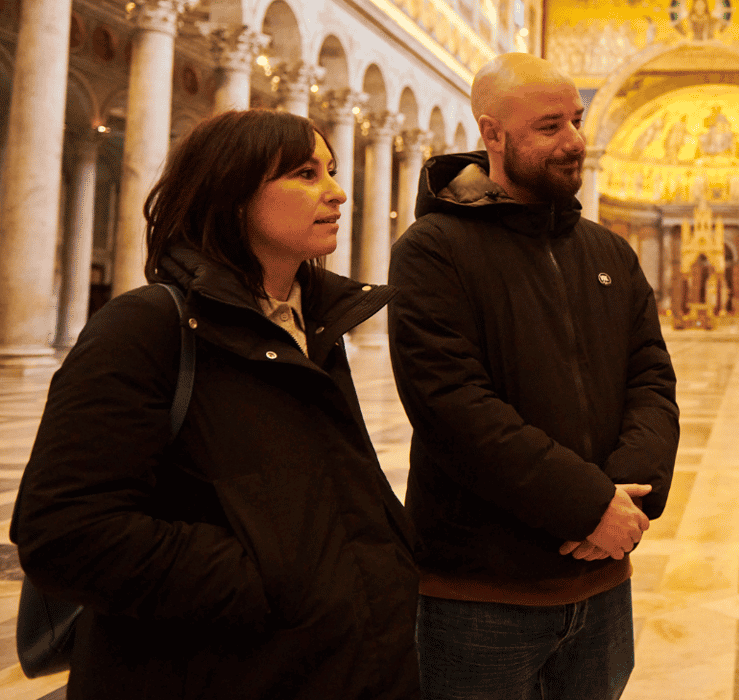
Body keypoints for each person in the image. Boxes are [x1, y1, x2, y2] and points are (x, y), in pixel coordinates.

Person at [10, 109, 421, 698]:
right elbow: (65, 533)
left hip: (335, 667)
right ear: (231, 191)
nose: (337, 192)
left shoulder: (313, 327)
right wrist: (271, 581)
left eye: (330, 170)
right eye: (305, 174)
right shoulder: (145, 326)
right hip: (214, 671)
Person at [388, 53, 680, 700]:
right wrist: (589, 505)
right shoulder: (433, 249)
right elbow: (453, 408)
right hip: (480, 595)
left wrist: (631, 498)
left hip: (603, 583)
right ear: (492, 135)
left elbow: (652, 382)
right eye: (550, 127)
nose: (575, 141)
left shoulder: (608, 252)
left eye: (576, 121)